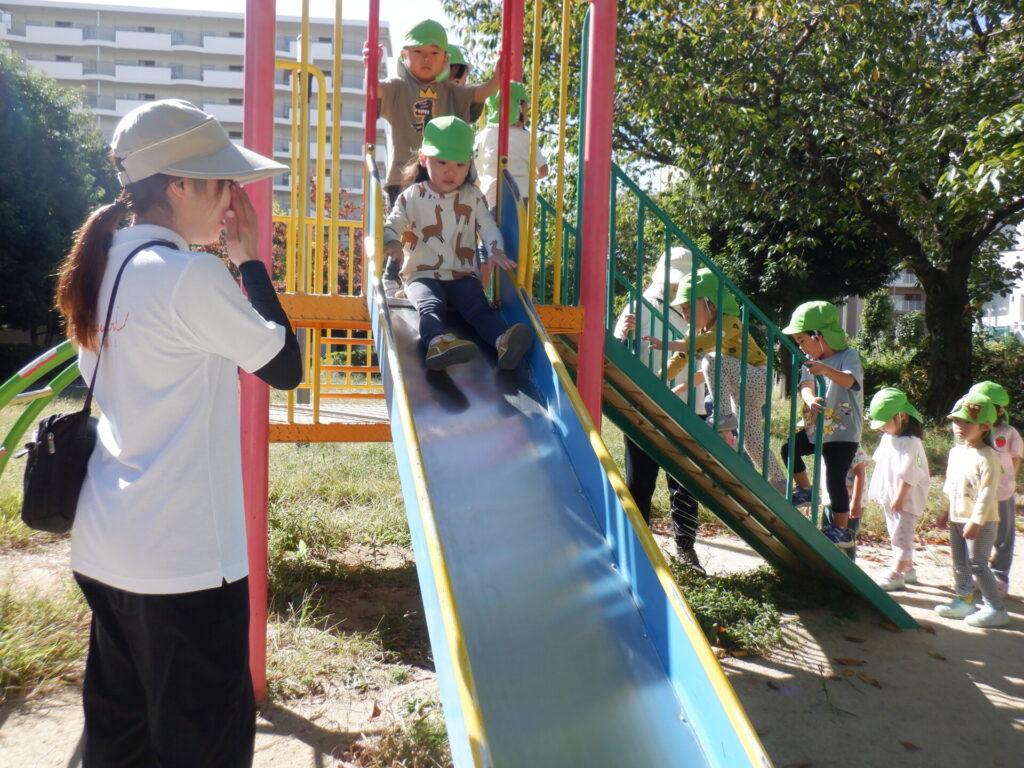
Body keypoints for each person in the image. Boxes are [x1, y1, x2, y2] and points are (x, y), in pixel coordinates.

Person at [53, 99, 302, 767]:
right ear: (180, 185)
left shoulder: (98, 271)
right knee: (204, 748)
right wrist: (249, 261)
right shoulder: (190, 277)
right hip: (186, 563)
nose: (233, 200)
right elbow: (285, 366)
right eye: (222, 182)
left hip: (106, 548)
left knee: (120, 741)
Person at [383, 116, 532, 371]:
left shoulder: (472, 196)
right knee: (429, 304)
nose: (451, 171)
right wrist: (392, 242)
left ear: (469, 165)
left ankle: (502, 342)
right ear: (424, 160)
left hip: (462, 276)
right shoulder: (413, 196)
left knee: (479, 307)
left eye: (460, 164)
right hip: (421, 275)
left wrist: (496, 250)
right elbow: (394, 222)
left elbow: (488, 226)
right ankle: (436, 343)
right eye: (442, 162)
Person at [369, 19, 502, 284]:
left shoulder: (452, 92)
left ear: (445, 60)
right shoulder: (398, 87)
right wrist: (371, 67)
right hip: (403, 176)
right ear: (404, 55)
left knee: (448, 229)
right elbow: (376, 89)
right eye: (418, 51)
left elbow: (480, 93)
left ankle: (447, 277)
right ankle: (393, 276)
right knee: (404, 229)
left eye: (434, 52)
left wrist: (499, 75)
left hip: (445, 174)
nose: (426, 59)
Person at [645, 268, 786, 488]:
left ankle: (723, 416)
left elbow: (699, 345)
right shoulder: (697, 332)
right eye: (682, 310)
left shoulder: (729, 322)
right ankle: (779, 483)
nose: (685, 315)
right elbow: (681, 356)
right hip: (741, 390)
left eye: (689, 307)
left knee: (711, 360)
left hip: (758, 377)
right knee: (751, 441)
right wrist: (660, 378)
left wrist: (667, 344)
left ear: (711, 304)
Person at [613, 248, 707, 572]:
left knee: (685, 484)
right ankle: (638, 548)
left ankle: (686, 550)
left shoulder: (701, 309)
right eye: (671, 281)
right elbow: (615, 352)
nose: (674, 288)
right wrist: (621, 334)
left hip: (689, 404)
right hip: (644, 404)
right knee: (640, 481)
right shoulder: (639, 305)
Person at [780, 301, 863, 548]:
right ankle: (805, 490)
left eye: (802, 340)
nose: (800, 346)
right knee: (788, 448)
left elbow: (849, 381)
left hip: (844, 433)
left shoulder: (849, 356)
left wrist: (825, 370)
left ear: (819, 336)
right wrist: (810, 399)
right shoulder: (809, 360)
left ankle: (842, 530)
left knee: (835, 480)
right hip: (817, 429)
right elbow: (806, 385)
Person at [935, 392, 1009, 627]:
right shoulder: (956, 452)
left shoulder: (988, 457)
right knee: (960, 563)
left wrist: (976, 521)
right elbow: (950, 484)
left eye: (967, 422)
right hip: (957, 517)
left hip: (981, 522)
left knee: (977, 564)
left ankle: (995, 608)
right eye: (956, 421)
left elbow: (987, 492)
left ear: (985, 426)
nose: (960, 426)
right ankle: (965, 600)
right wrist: (945, 510)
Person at [865, 387, 930, 590]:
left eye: (885, 422)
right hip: (891, 497)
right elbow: (881, 463)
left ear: (902, 416)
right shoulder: (888, 438)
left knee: (901, 537)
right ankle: (908, 569)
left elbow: (910, 473)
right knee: (895, 532)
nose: (882, 428)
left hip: (905, 500)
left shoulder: (912, 443)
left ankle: (896, 573)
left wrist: (900, 497)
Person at [968, 380, 1020, 596]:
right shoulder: (971, 431)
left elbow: (1015, 459)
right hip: (976, 493)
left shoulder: (1008, 432)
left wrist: (1007, 482)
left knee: (1003, 535)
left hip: (1002, 493)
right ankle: (975, 574)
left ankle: (1000, 575)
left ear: (999, 411)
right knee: (975, 532)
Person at [474, 80, 549, 210]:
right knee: (520, 220)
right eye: (526, 109)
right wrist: (533, 176)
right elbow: (543, 170)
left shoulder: (481, 137)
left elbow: (474, 171)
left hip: (491, 195)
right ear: (519, 109)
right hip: (522, 194)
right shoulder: (526, 137)